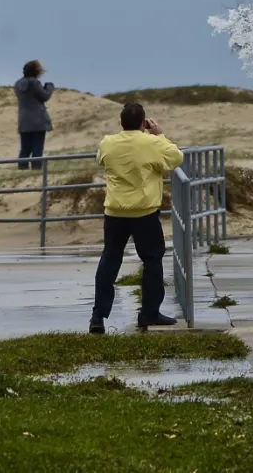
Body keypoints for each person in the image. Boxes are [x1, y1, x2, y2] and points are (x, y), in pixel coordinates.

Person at [90, 102, 184, 334]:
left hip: (115, 211)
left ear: (121, 122)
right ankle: (149, 312)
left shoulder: (108, 142)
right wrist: (159, 135)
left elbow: (100, 159)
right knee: (152, 261)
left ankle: (98, 315)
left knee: (110, 259)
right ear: (144, 123)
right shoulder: (151, 142)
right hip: (144, 211)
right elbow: (176, 158)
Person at [14, 60, 54, 170]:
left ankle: (22, 168)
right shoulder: (35, 82)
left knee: (25, 148)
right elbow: (44, 96)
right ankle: (36, 168)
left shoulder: (17, 84)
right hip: (38, 120)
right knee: (37, 147)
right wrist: (50, 88)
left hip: (24, 119)